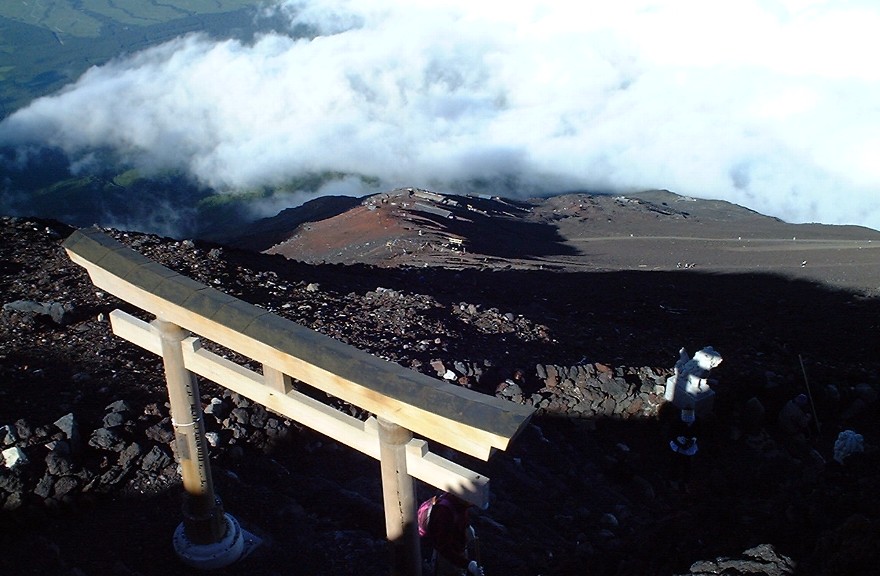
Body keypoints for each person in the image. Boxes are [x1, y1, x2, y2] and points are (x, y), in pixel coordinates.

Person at [418, 492, 484, 576]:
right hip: (447, 559)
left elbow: (462, 513)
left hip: (457, 547)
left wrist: (467, 526)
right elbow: (444, 548)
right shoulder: (443, 513)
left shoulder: (460, 500)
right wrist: (468, 564)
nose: (474, 504)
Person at [668, 406, 700, 492]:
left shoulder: (696, 422)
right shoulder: (676, 422)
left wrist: (693, 440)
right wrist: (679, 442)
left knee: (687, 466)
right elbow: (671, 434)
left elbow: (698, 433)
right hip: (678, 447)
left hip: (689, 449)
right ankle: (674, 481)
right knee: (675, 464)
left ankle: (685, 483)